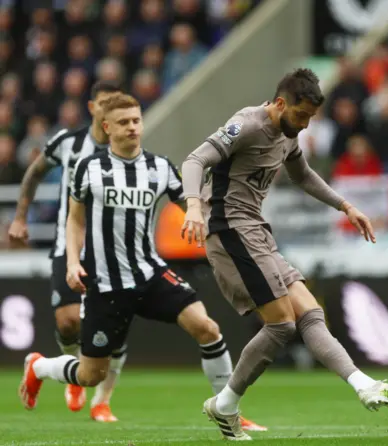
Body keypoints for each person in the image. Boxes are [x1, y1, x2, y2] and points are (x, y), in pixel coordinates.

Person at [180, 68, 388, 441]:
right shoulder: (248, 124)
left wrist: (345, 206)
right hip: (228, 230)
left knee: (310, 313)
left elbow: (302, 175)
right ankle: (224, 405)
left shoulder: (287, 134)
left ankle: (362, 384)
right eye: (301, 115)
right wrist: (193, 205)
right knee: (281, 325)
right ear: (281, 103)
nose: (304, 125)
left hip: (256, 230)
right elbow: (194, 160)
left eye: (310, 118)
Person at [18, 94, 265, 432]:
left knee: (207, 328)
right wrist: (73, 262)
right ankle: (40, 367)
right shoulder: (89, 168)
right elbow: (75, 221)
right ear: (107, 127)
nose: (132, 127)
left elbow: (189, 203)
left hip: (150, 273)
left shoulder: (160, 167)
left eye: (136, 120)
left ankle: (227, 409)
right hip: (104, 284)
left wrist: (196, 213)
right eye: (123, 122)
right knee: (91, 375)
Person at [9, 81, 125, 422]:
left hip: (112, 250)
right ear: (92, 107)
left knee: (115, 329)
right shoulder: (68, 143)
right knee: (69, 321)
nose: (109, 111)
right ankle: (71, 372)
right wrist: (20, 217)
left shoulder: (126, 148)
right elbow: (34, 173)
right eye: (104, 104)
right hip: (68, 244)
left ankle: (101, 400)